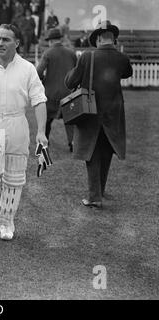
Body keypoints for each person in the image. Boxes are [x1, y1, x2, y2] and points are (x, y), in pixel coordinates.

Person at [0, 24, 47, 248]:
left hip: (16, 124)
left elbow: (39, 100)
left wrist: (41, 131)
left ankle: (6, 222)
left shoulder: (28, 69)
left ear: (17, 43)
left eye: (5, 39)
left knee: (13, 179)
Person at [64, 20, 133, 209]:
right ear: (113, 39)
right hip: (113, 113)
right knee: (106, 150)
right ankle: (99, 190)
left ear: (99, 39)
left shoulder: (87, 57)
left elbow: (70, 82)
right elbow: (127, 74)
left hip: (90, 111)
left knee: (91, 153)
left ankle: (94, 197)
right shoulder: (122, 58)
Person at [36, 28, 77, 151]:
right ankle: (72, 144)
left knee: (47, 120)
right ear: (60, 39)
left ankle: (45, 143)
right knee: (70, 121)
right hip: (69, 93)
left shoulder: (48, 53)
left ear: (50, 41)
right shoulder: (71, 53)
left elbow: (38, 72)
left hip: (50, 93)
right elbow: (77, 72)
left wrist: (44, 79)